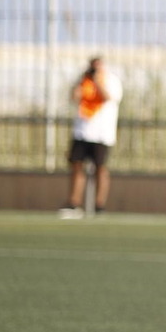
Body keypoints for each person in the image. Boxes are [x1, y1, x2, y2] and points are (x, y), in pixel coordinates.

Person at [59, 56, 122, 217]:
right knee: (76, 166)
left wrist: (97, 80)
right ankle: (74, 203)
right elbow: (74, 97)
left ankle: (99, 205)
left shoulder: (111, 80)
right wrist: (84, 80)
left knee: (100, 168)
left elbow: (108, 98)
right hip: (82, 131)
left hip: (102, 133)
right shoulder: (83, 81)